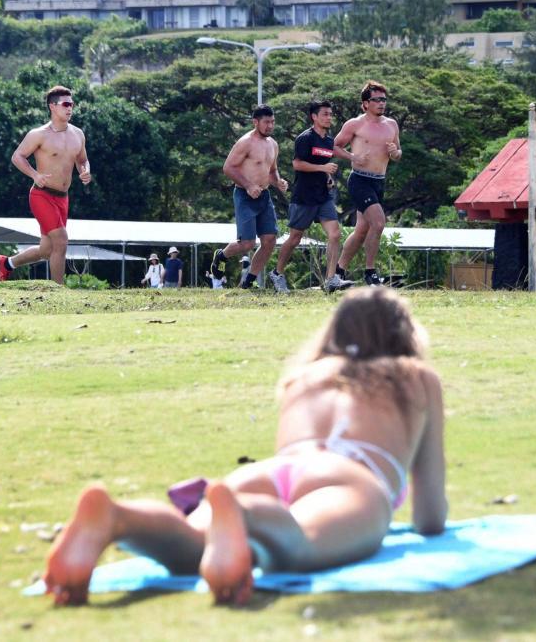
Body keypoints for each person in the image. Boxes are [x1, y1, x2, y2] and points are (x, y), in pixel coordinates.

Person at [42, 286, 447, 607]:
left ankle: (118, 518)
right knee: (298, 542)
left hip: (269, 472)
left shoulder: (304, 377)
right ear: (403, 334)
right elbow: (429, 513)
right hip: (350, 479)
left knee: (191, 546)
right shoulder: (415, 376)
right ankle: (241, 514)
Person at [0, 86, 91, 285]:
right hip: (41, 196)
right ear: (52, 107)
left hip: (63, 198)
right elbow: (17, 156)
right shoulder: (38, 134)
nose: (70, 108)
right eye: (65, 104)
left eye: (72, 104)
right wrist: (34, 175)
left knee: (47, 250)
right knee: (61, 241)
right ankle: (59, 291)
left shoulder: (78, 134)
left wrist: (85, 170)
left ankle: (7, 264)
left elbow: (82, 159)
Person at [269, 101, 357, 294]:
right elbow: (297, 164)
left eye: (330, 114)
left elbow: (322, 163)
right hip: (304, 196)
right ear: (314, 117)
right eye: (325, 114)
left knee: (335, 234)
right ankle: (277, 273)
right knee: (294, 238)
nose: (329, 117)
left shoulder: (328, 141)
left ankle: (331, 279)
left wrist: (327, 178)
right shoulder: (305, 138)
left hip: (323, 196)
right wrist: (323, 168)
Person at [209, 106, 289, 289]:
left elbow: (272, 170)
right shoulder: (245, 142)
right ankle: (221, 255)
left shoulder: (273, 144)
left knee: (269, 241)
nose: (270, 126)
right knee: (247, 243)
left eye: (272, 122)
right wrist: (249, 185)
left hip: (264, 195)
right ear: (256, 122)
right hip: (244, 195)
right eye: (266, 122)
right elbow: (228, 167)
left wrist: (278, 181)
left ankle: (248, 282)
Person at [333, 81, 402, 287]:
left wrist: (395, 153)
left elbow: (398, 152)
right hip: (359, 179)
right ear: (365, 104)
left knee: (362, 229)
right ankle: (370, 272)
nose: (381, 103)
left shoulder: (391, 124)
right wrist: (353, 156)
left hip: (379, 181)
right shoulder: (355, 124)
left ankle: (338, 271)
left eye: (384, 99)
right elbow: (334, 146)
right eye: (376, 100)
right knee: (378, 223)